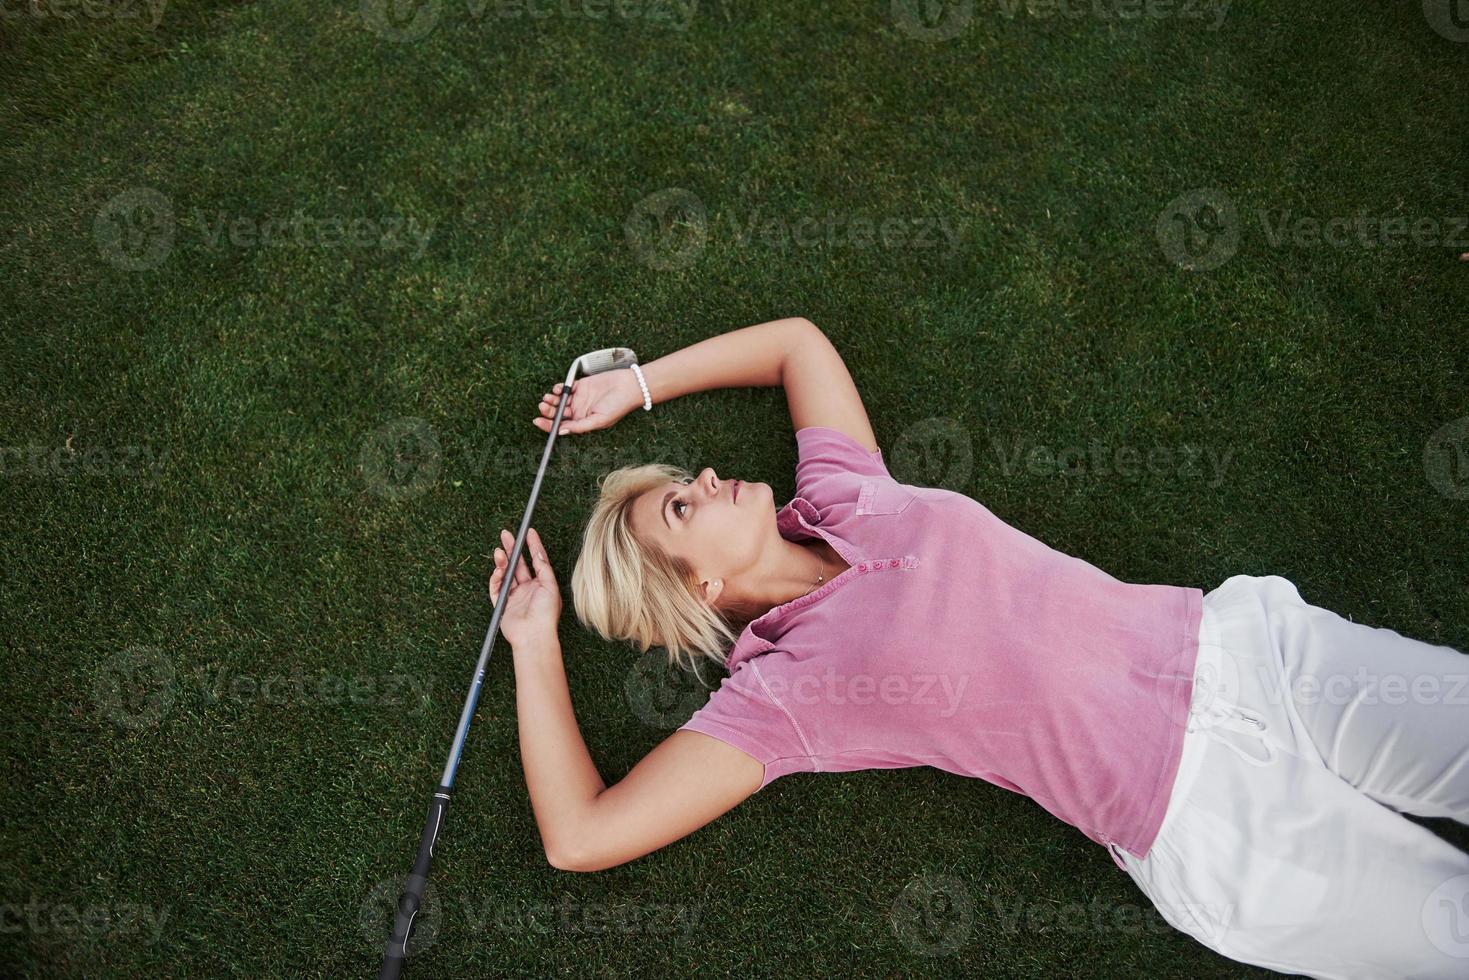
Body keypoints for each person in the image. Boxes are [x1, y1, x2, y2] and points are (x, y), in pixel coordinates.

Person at [487, 316, 1469, 978]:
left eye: (682, 477)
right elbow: (581, 835)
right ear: (694, 586)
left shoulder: (838, 495)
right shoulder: (779, 696)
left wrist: (639, 385)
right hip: (1212, 822)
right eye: (681, 503)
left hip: (1251, 655)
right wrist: (533, 641)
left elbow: (795, 342)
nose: (705, 473)